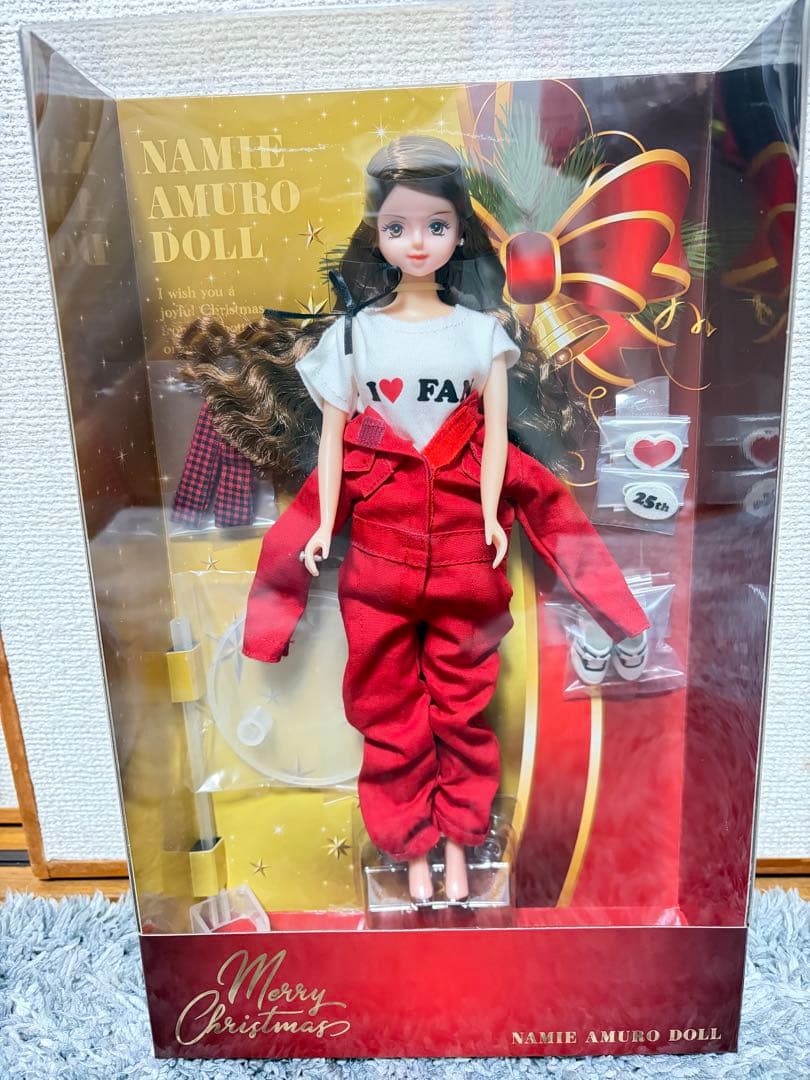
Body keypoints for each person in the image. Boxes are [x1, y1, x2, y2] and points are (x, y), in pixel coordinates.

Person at [181, 135, 649, 905]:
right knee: (389, 716)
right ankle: (410, 851)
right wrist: (294, 580)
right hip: (378, 575)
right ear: (379, 236)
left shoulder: (481, 335)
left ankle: (462, 843)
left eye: (435, 225)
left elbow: (524, 472)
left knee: (463, 715)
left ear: (460, 233)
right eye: (398, 227)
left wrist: (608, 605)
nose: (418, 241)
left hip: (469, 568)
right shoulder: (354, 339)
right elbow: (325, 459)